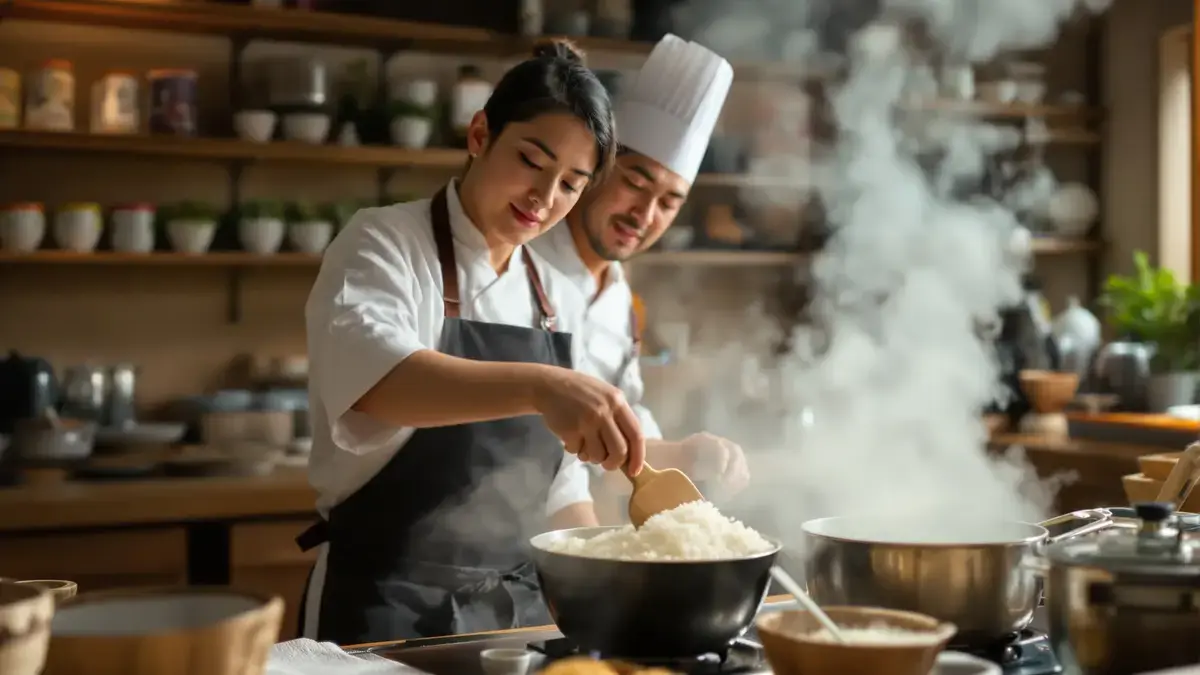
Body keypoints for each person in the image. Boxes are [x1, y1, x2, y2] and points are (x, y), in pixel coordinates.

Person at [297, 40, 644, 645]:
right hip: (384, 607)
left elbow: (560, 486)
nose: (544, 197)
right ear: (481, 133)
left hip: (520, 614)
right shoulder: (383, 244)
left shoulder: (554, 296)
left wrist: (590, 581)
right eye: (531, 160)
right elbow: (381, 381)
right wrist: (542, 384)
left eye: (570, 184)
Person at [531, 35, 750, 522]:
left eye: (670, 202)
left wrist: (691, 455)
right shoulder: (520, 264)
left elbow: (614, 448)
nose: (644, 214)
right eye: (635, 181)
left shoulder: (618, 295)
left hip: (561, 547)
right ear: (597, 165)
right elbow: (539, 453)